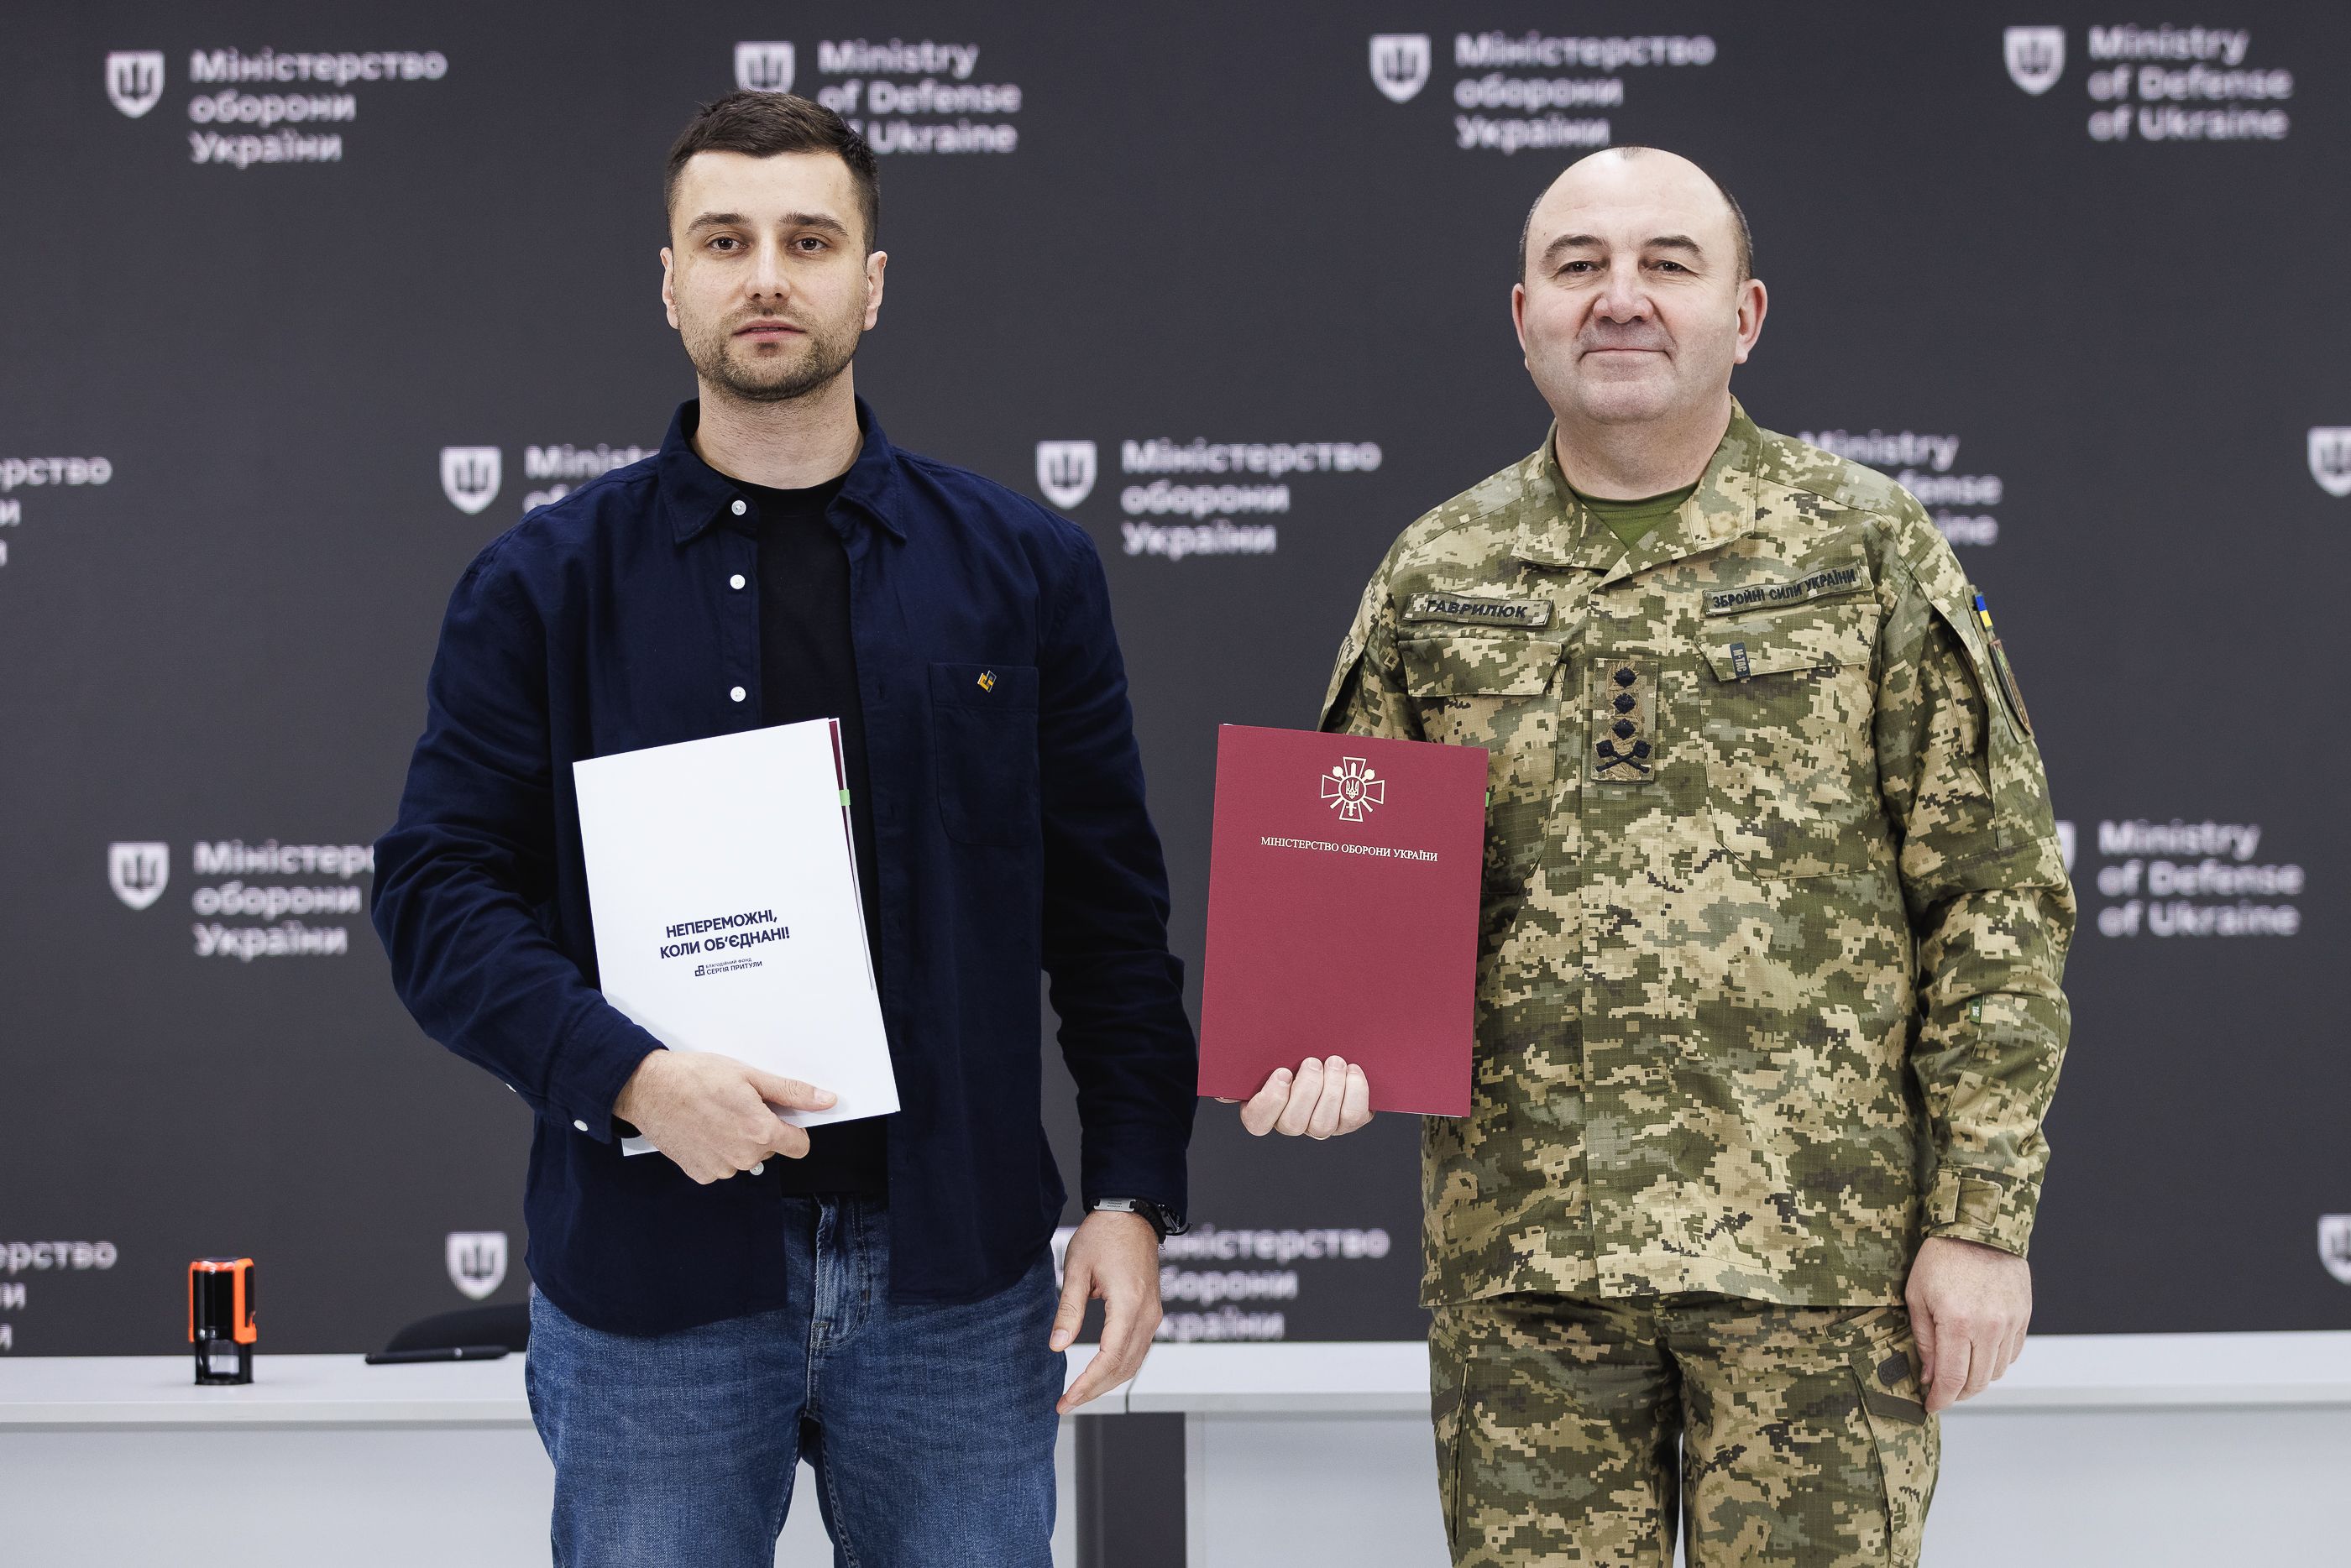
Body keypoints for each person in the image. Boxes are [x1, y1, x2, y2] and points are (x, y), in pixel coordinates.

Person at [371, 91, 1194, 1567]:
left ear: (869, 281)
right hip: (654, 1285)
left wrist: (1131, 1193)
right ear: (670, 279)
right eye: (726, 241)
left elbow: (1109, 922)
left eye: (809, 241)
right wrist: (629, 1078)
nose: (768, 276)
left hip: (958, 1288)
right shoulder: (542, 586)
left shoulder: (1024, 571)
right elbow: (438, 898)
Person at [1235, 146, 2072, 1566]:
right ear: (1524, 316)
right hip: (1527, 1278)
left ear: (1743, 316)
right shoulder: (1438, 574)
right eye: (1580, 268)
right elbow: (1344, 887)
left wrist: (1982, 1221)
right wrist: (1310, 1048)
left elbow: (1995, 894)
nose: (1620, 300)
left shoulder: (1866, 547)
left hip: (1819, 1273)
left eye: (1667, 265)